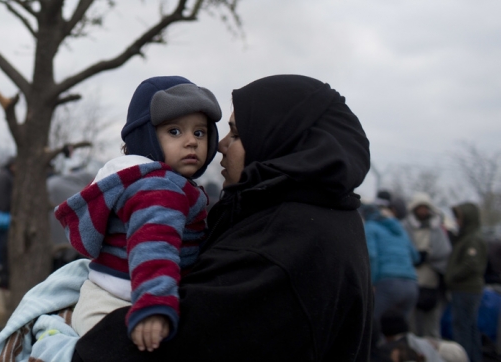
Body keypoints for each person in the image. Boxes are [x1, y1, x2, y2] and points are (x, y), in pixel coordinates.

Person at [72, 75, 374, 361]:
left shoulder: (279, 248)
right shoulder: (309, 215)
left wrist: (69, 341)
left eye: (239, 134)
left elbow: (172, 344)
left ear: (278, 141)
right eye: (174, 131)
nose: (219, 145)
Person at [56, 76, 221, 352]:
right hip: (125, 304)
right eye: (175, 132)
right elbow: (154, 244)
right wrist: (154, 304)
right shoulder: (159, 188)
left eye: (200, 132)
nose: (191, 142)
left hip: (109, 296)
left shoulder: (146, 179)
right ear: (146, 136)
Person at [403, 192, 452, 338]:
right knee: (411, 318)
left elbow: (444, 249)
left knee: (431, 318)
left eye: (425, 208)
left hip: (431, 278)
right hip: (411, 276)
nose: (423, 211)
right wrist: (415, 256)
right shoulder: (406, 227)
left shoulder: (435, 228)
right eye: (420, 208)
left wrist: (429, 256)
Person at [364, 199, 421, 324]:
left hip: (388, 284)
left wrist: (372, 283)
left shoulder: (370, 227)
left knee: (373, 325)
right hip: (411, 285)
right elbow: (415, 256)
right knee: (398, 330)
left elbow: (372, 256)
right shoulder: (400, 229)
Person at [446, 202, 488, 362]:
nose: (457, 221)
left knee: (463, 328)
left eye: (459, 217)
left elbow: (472, 264)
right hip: (467, 289)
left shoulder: (473, 239)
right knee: (469, 328)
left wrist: (452, 276)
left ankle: (465, 358)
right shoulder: (466, 237)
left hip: (466, 289)